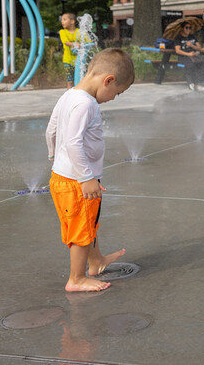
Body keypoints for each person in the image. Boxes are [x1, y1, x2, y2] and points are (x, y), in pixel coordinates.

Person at [45, 48, 135, 292]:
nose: (114, 98)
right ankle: (76, 278)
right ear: (108, 80)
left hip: (64, 176)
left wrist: (55, 157)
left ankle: (96, 262)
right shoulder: (87, 104)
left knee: (87, 223)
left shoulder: (68, 95)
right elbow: (73, 141)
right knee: (81, 231)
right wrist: (86, 177)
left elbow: (51, 130)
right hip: (77, 181)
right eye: (117, 92)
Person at [174, 22, 204, 91]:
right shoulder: (178, 38)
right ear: (182, 28)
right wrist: (188, 54)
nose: (188, 29)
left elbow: (199, 48)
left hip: (194, 56)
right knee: (192, 65)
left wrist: (191, 45)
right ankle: (192, 83)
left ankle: (197, 82)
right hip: (183, 57)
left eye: (190, 27)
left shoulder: (192, 37)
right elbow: (177, 50)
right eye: (186, 27)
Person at [59, 13, 78, 88]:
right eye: (61, 20)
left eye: (64, 19)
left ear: (72, 21)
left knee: (79, 79)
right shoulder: (62, 32)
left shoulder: (79, 32)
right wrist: (76, 44)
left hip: (78, 61)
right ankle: (69, 97)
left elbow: (87, 41)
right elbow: (66, 42)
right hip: (68, 61)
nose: (62, 21)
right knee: (70, 80)